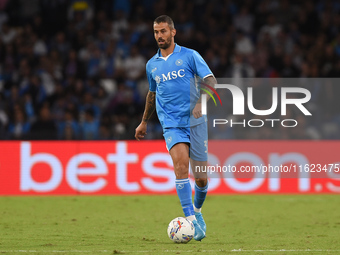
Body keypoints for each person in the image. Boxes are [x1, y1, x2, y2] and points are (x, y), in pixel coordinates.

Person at [135, 15, 217, 241]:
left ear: (173, 32)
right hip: (172, 124)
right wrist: (144, 122)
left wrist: (201, 103)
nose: (159, 36)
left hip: (196, 122)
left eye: (163, 31)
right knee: (181, 168)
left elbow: (210, 80)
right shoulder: (152, 65)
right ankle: (191, 222)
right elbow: (152, 94)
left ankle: (198, 212)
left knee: (200, 178)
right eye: (155, 32)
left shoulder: (190, 56)